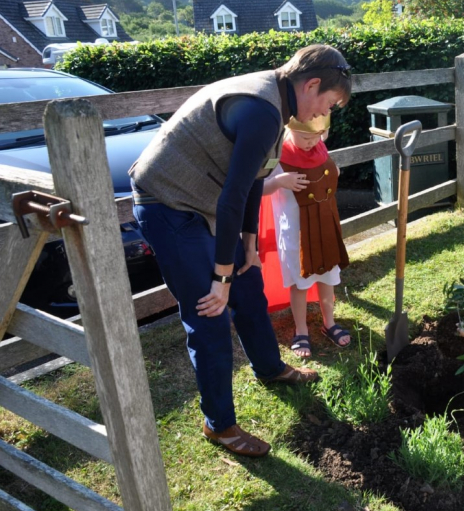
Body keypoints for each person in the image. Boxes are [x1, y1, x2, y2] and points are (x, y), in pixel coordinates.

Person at [129, 44, 352, 457]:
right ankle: (220, 425)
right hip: (169, 204)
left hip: (208, 202)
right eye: (328, 103)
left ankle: (270, 368)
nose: (324, 113)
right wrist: (220, 276)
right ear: (313, 84)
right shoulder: (262, 109)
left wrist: (248, 244)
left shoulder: (278, 103)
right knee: (209, 313)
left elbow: (251, 180)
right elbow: (233, 195)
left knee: (249, 286)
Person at [262, 113, 351, 357]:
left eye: (317, 135)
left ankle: (329, 322)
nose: (311, 142)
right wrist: (279, 181)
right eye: (305, 136)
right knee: (300, 282)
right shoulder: (276, 155)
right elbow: (256, 188)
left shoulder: (320, 148)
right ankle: (301, 330)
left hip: (324, 227)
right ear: (290, 129)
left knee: (327, 276)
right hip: (295, 234)